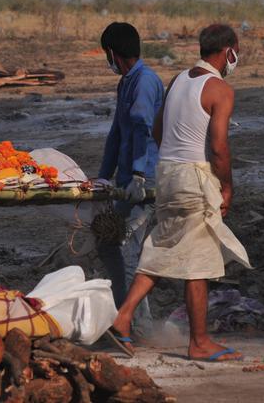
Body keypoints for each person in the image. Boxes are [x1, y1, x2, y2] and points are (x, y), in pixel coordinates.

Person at [111, 24, 252, 361]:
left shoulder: (178, 81)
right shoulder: (220, 89)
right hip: (194, 177)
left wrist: (176, 160)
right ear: (228, 50)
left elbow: (159, 130)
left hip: (168, 174)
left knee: (164, 248)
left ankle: (123, 317)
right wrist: (227, 186)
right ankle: (200, 342)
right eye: (236, 51)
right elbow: (219, 147)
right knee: (199, 261)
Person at [95, 22, 164, 338]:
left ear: (112, 52)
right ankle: (133, 319)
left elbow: (141, 130)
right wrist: (102, 177)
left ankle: (134, 328)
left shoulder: (146, 83)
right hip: (124, 181)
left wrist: (137, 174)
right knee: (107, 243)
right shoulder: (126, 83)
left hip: (144, 181)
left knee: (126, 250)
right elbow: (116, 133)